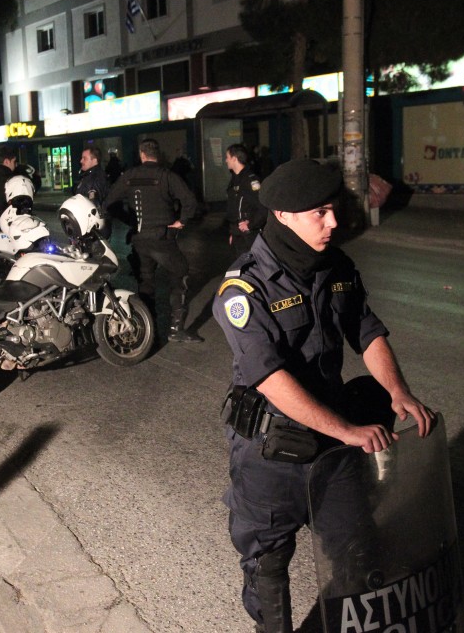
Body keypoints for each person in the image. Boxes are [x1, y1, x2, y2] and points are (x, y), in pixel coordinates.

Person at [212, 159, 435, 632]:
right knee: (268, 571)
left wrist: (399, 392)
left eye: (334, 210)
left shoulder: (336, 266)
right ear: (285, 215)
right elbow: (269, 377)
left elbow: (365, 329)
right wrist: (350, 431)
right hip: (270, 455)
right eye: (320, 213)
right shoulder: (244, 287)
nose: (333, 223)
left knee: (359, 554)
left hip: (333, 450)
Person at [106, 138, 202, 343]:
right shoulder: (166, 175)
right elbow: (190, 201)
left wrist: (129, 219)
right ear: (157, 155)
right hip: (162, 239)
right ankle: (176, 329)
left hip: (139, 240)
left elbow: (109, 203)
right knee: (181, 272)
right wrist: (181, 221)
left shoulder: (129, 176)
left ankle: (149, 329)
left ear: (142, 154)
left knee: (146, 284)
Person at [225, 144, 266, 257]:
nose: (226, 160)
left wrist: (251, 224)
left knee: (250, 268)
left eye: (227, 157)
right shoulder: (235, 179)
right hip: (237, 233)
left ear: (234, 159)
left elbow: (263, 207)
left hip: (248, 236)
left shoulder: (250, 180)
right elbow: (235, 207)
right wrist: (233, 233)